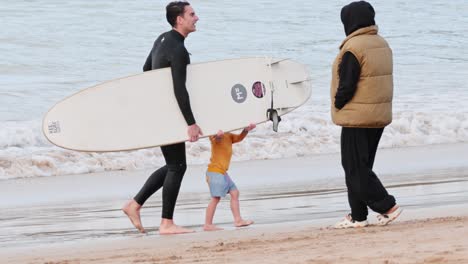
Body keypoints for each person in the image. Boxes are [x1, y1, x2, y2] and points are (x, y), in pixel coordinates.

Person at [122, 1, 202, 235]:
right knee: (177, 166)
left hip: (161, 112)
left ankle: (134, 205)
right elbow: (180, 89)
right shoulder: (178, 50)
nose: (196, 18)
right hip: (171, 114)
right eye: (192, 14)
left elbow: (146, 69)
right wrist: (191, 123)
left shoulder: (162, 39)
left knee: (174, 165)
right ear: (180, 19)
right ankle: (166, 223)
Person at [330, 1, 402, 229]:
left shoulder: (354, 48)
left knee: (354, 168)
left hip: (357, 115)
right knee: (361, 167)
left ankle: (387, 206)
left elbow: (347, 84)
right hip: (377, 115)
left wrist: (338, 102)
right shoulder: (381, 43)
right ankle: (358, 216)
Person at [203, 124, 256, 231]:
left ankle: (238, 220)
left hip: (223, 173)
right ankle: (207, 224)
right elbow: (215, 139)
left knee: (235, 193)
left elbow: (239, 138)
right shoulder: (214, 135)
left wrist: (245, 130)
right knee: (215, 198)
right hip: (214, 172)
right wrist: (218, 135)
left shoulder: (229, 135)